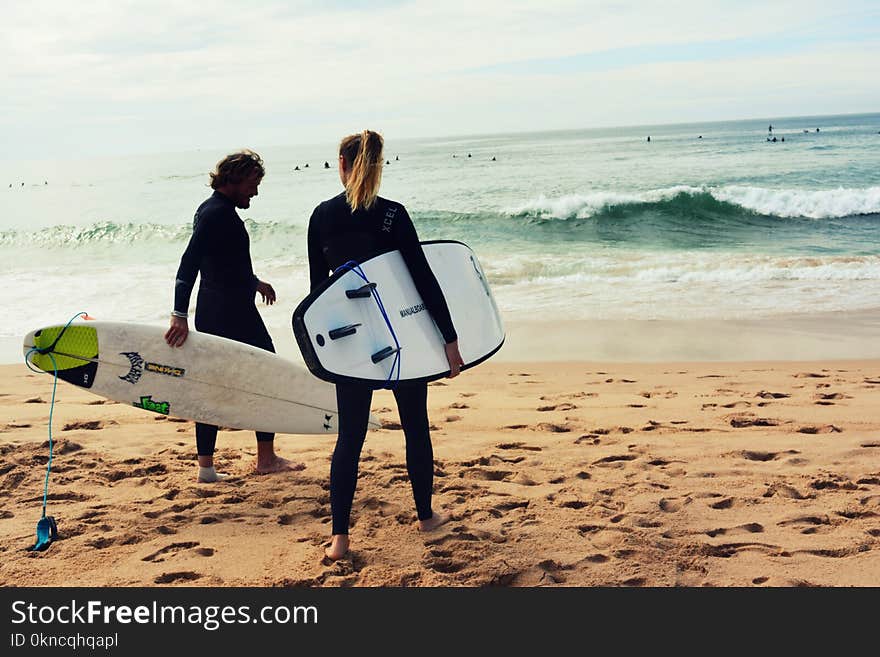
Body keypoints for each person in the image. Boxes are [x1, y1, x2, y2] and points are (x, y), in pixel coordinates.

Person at [307, 130, 464, 561]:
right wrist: (449, 340)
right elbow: (421, 281)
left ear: (341, 163)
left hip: (352, 343)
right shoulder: (393, 215)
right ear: (378, 166)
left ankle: (340, 538)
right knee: (415, 424)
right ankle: (426, 517)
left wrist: (323, 354)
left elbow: (318, 294)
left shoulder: (321, 216)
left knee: (351, 436)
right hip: (402, 339)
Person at [165, 150, 302, 483]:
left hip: (221, 310)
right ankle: (266, 460)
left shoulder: (214, 210)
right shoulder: (216, 214)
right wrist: (178, 314)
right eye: (253, 184)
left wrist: (255, 282)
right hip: (231, 315)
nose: (255, 192)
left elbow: (223, 264)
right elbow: (189, 265)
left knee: (211, 385)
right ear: (235, 179)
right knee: (266, 374)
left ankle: (207, 468)